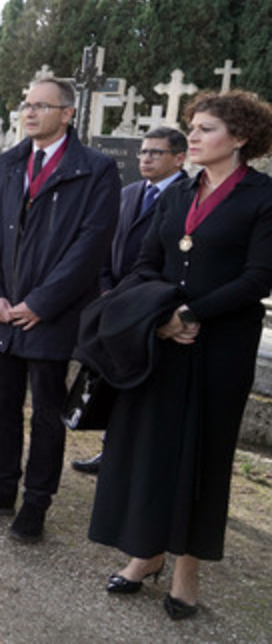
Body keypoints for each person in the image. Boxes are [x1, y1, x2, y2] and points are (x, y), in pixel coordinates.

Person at [88, 91, 272, 620]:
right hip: (163, 341)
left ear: (239, 138)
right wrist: (162, 319)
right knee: (154, 448)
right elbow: (147, 262)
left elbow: (259, 276)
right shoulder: (176, 194)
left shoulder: (263, 197)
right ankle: (146, 553)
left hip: (220, 349)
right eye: (192, 127)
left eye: (206, 129)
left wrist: (192, 316)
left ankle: (188, 569)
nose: (192, 137)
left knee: (202, 458)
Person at [0, 77, 119, 543]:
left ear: (67, 113)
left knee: (46, 414)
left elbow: (90, 246)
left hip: (50, 315)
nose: (29, 113)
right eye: (26, 104)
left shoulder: (95, 170)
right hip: (2, 312)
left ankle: (36, 504)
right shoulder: (10, 163)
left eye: (41, 106)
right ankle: (0, 487)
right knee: (2, 407)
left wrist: (42, 303)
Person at [72, 126, 188, 475]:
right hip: (116, 302)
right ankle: (111, 449)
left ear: (179, 158)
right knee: (113, 378)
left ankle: (138, 459)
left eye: (156, 152)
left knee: (143, 386)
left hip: (151, 307)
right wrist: (106, 288)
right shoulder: (130, 192)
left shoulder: (186, 196)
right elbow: (107, 244)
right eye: (143, 152)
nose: (146, 158)